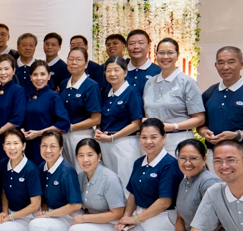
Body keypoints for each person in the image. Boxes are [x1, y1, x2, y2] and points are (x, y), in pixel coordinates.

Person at [113, 118, 183, 231]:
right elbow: (132, 193)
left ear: (164, 138)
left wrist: (135, 219)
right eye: (144, 137)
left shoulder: (169, 165)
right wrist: (126, 217)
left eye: (153, 137)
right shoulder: (139, 163)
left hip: (163, 221)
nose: (148, 141)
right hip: (143, 219)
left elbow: (164, 202)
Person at [198, 46, 243, 179]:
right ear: (215, 65)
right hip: (215, 157)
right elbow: (201, 123)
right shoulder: (209, 93)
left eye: (231, 62)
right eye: (221, 62)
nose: (225, 67)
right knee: (217, 195)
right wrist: (204, 132)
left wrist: (237, 135)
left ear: (242, 64)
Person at [68, 139, 127, 231]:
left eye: (90, 155)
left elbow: (118, 213)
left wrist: (83, 218)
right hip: (94, 224)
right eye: (81, 155)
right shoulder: (81, 177)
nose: (85, 160)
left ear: (99, 156)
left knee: (75, 230)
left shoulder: (109, 179)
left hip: (113, 225)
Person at [28, 130, 83, 231]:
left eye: (53, 146)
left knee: (36, 224)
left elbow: (76, 205)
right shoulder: (42, 167)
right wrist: (45, 212)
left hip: (68, 217)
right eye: (44, 146)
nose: (48, 150)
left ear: (61, 149)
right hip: (53, 215)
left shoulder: (66, 171)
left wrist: (47, 215)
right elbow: (44, 198)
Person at [143, 38, 205, 153]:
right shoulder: (150, 83)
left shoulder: (187, 82)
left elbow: (199, 118)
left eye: (170, 53)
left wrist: (174, 126)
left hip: (179, 141)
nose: (165, 57)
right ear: (156, 55)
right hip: (153, 143)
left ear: (177, 55)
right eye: (161, 53)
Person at [0, 129, 42, 231]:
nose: (12, 148)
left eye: (16, 143)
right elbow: (4, 191)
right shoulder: (3, 164)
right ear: (3, 147)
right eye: (8, 144)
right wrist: (4, 212)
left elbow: (35, 205)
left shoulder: (31, 170)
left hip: (28, 218)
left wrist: (10, 218)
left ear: (23, 145)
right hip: (12, 215)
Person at [95, 56, 143, 186]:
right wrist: (98, 131)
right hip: (106, 143)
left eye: (116, 70)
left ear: (125, 72)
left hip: (125, 143)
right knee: (110, 182)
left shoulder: (132, 92)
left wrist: (113, 137)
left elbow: (136, 124)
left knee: (125, 179)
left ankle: (128, 207)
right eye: (108, 70)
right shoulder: (106, 93)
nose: (112, 74)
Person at [60, 47, 102, 168]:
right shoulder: (64, 84)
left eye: (78, 59)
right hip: (64, 136)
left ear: (86, 64)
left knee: (82, 171)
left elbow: (96, 119)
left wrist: (71, 128)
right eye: (71, 59)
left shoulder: (91, 86)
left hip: (81, 136)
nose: (74, 62)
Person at [22, 61, 70, 166]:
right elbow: (23, 120)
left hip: (47, 146)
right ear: (30, 77)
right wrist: (22, 131)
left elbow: (64, 123)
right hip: (30, 146)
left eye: (43, 74)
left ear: (49, 76)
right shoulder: (28, 97)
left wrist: (39, 133)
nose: (39, 78)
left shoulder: (54, 97)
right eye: (35, 74)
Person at [0, 54, 26, 165]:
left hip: (10, 140)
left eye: (6, 69)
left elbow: (17, 119)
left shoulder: (18, 90)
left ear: (13, 70)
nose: (3, 73)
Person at [125, 30, 161, 95]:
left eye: (141, 43)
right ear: (127, 47)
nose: (136, 47)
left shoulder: (159, 72)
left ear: (148, 46)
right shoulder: (120, 71)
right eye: (132, 43)